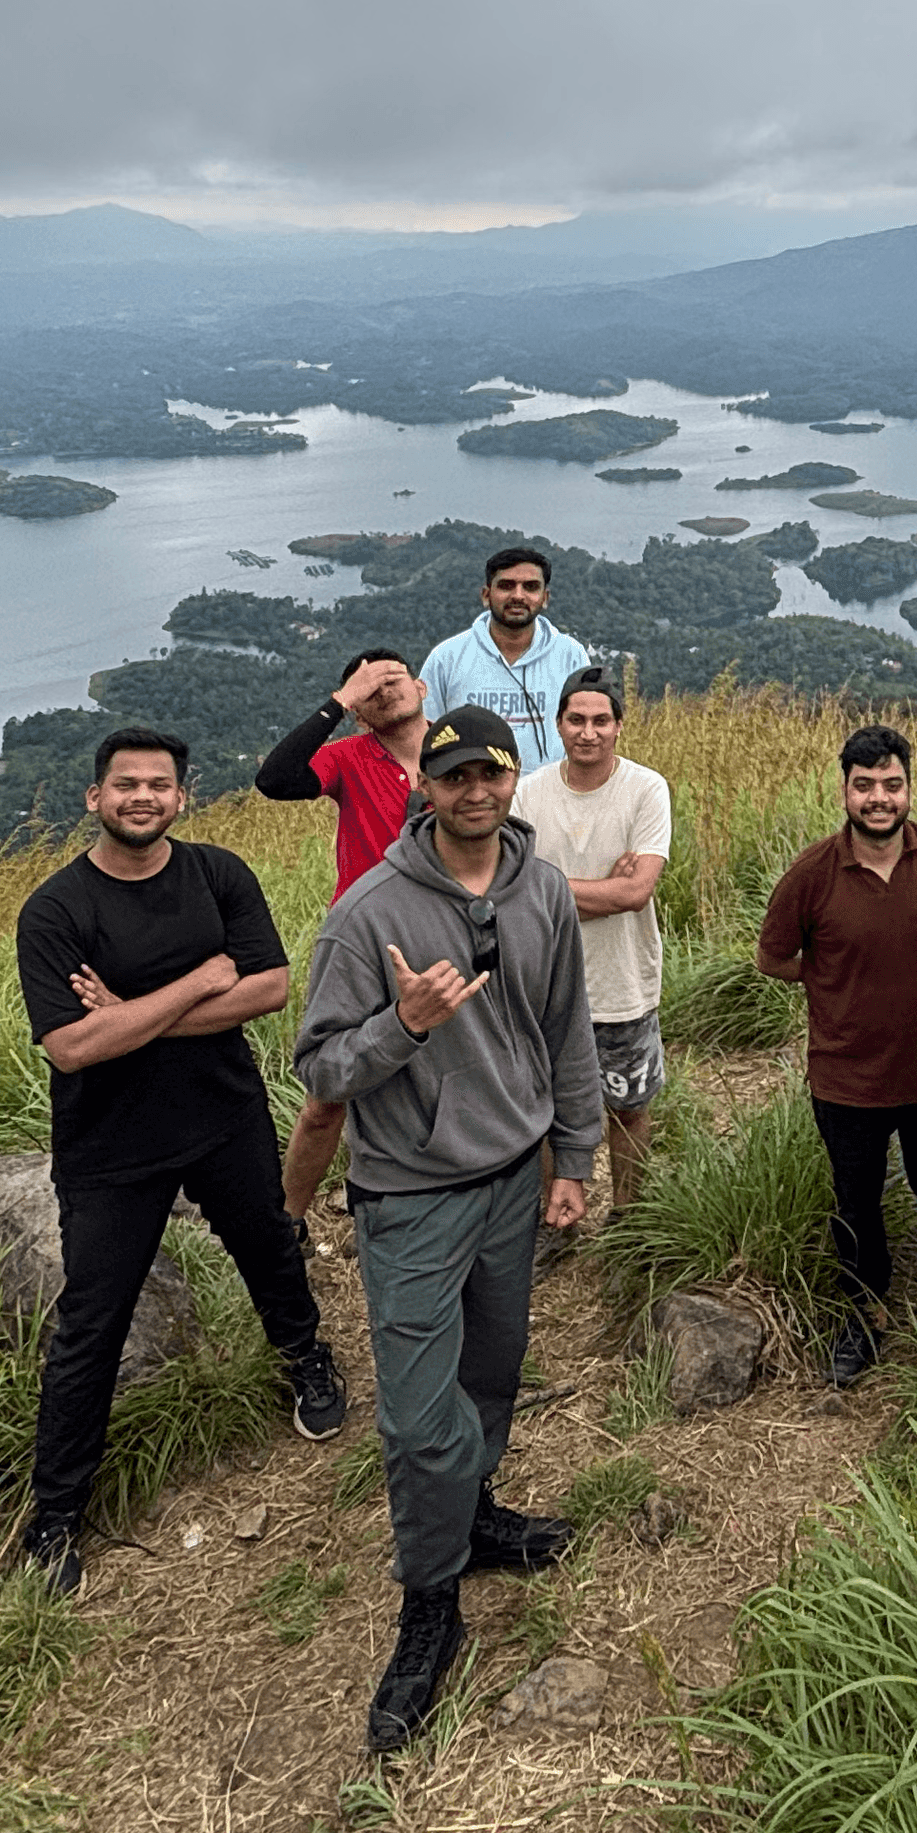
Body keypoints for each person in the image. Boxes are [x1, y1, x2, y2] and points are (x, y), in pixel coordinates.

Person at [294, 707, 602, 1754]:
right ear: (423, 788)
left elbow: (565, 1030)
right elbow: (320, 1066)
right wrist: (404, 1025)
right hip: (413, 1194)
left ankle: (471, 1516)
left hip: (514, 1178)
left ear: (513, 781)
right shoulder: (367, 913)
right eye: (454, 776)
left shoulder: (542, 889)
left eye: (491, 774)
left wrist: (574, 1157)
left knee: (492, 1374)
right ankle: (430, 1601)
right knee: (421, 1417)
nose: (475, 791)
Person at [14, 729, 347, 1599]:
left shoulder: (217, 875)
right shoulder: (55, 911)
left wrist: (127, 1014)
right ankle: (56, 1513)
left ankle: (304, 1356)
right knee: (92, 1323)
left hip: (221, 1115)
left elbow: (269, 988)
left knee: (269, 1245)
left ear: (181, 797)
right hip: (109, 1146)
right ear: (95, 798)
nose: (143, 797)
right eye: (126, 784)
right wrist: (198, 984)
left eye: (159, 785)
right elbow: (73, 1047)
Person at [756, 724, 917, 1386]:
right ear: (844, 791)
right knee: (856, 1204)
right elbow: (772, 958)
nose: (879, 798)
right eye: (865, 786)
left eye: (892, 784)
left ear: (910, 788)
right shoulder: (812, 873)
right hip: (845, 1075)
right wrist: (828, 978)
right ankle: (865, 1316)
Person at [253, 645, 430, 1216]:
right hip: (361, 940)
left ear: (422, 687)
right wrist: (339, 701)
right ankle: (288, 1222)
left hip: (444, 932)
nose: (385, 690)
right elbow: (275, 779)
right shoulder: (350, 757)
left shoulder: (458, 747)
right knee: (326, 1097)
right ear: (358, 711)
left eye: (394, 678)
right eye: (369, 688)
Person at [509, 664, 671, 1215]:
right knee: (543, 1112)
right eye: (576, 719)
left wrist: (546, 886)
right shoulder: (528, 795)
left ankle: (628, 1216)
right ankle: (555, 1219)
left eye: (601, 720)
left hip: (622, 982)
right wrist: (606, 888)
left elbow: (637, 892)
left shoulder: (646, 789)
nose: (588, 732)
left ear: (619, 725)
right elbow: (509, 892)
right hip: (543, 985)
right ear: (558, 724)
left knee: (629, 1107)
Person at [414, 545, 599, 768]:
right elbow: (424, 733)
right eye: (506, 586)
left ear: (545, 598)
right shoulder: (446, 658)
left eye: (530, 587)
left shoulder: (571, 655)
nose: (518, 596)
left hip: (551, 787)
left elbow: (588, 728)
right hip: (470, 787)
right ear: (486, 595)